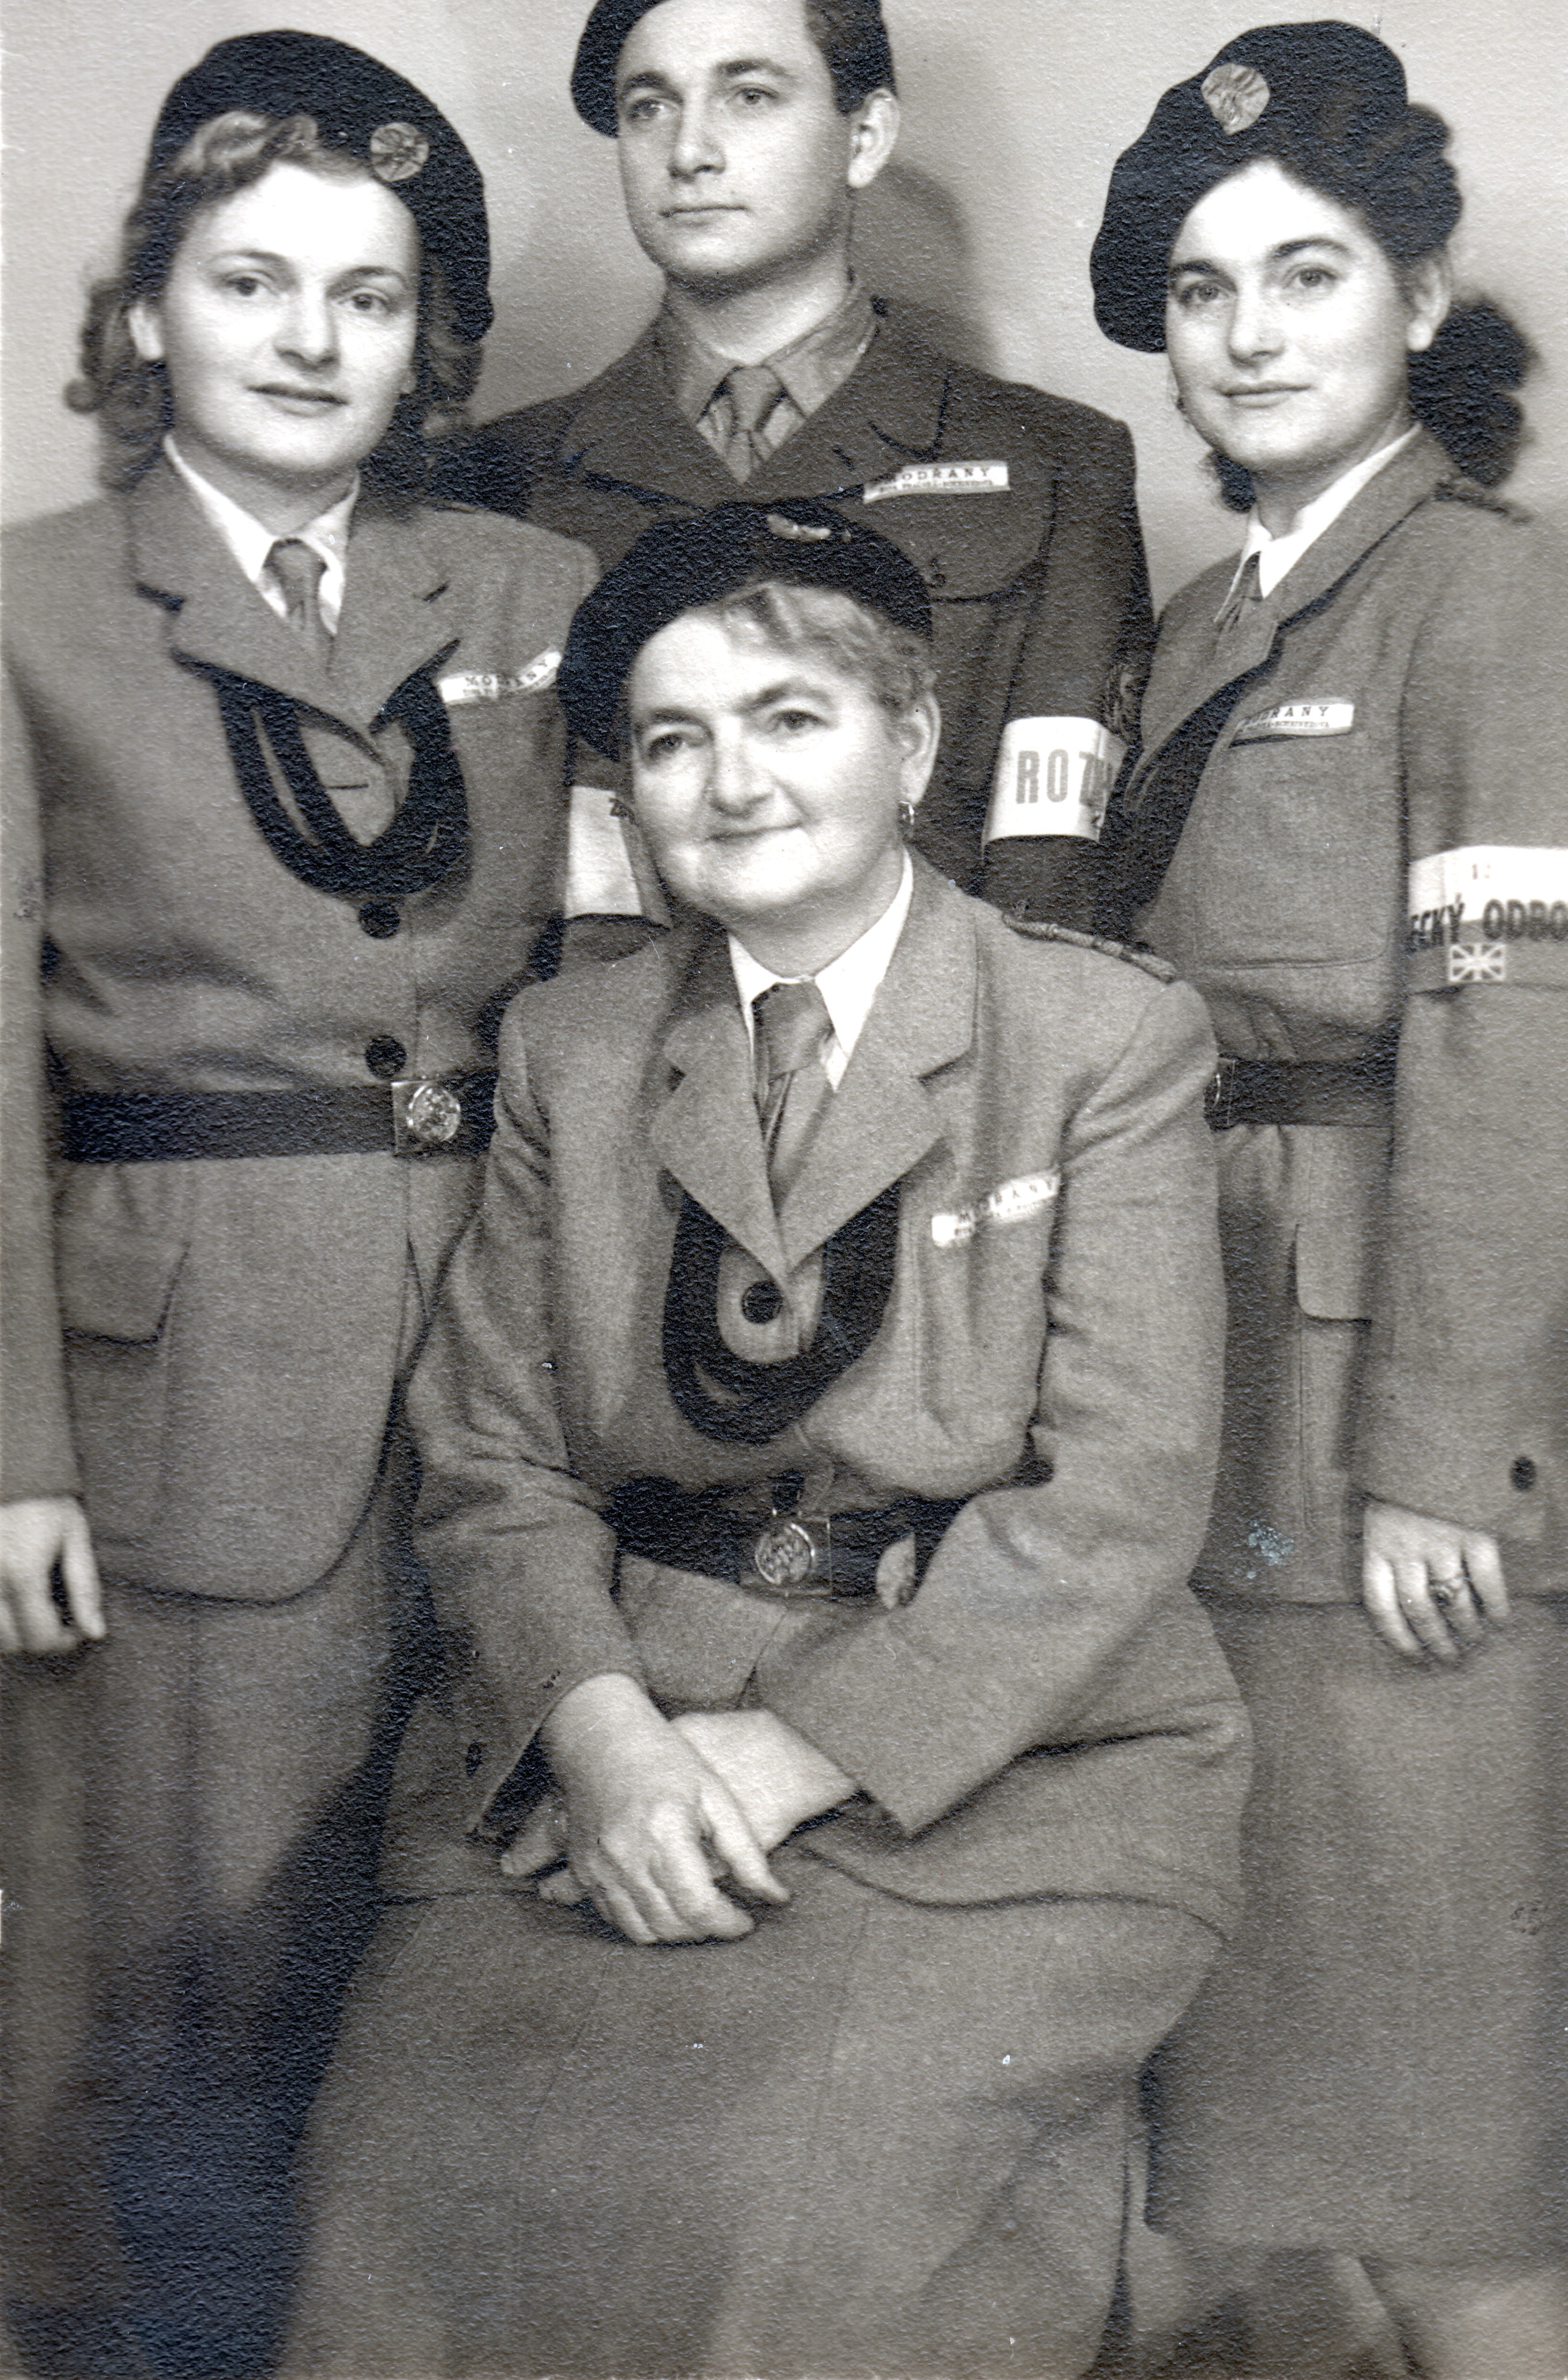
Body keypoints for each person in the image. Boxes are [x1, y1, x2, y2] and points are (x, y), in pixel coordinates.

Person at [283, 500, 1249, 2380]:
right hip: (612, 1741)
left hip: (991, 1765)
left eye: (789, 718)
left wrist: (799, 1753)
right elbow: (492, 1461)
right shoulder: (570, 1046)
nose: (731, 782)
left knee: (772, 2240)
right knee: (383, 2229)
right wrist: (608, 1746)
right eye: (673, 738)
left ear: (913, 740)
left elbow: (1119, 1493)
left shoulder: (1096, 1036)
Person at [0, 30, 595, 2379]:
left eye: (366, 294)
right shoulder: (34, 609)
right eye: (250, 280)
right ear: (147, 308)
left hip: (505, 1352)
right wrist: (15, 1446)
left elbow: (614, 987)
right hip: (183, 1384)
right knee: (182, 1969)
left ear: (425, 340)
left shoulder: (535, 589)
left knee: (475, 1948)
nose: (307, 335)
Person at [1089, 23, 1568, 2380]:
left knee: (1433, 2145)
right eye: (1203, 288)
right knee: (1271, 2122)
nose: (1252, 330)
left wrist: (1439, 1451)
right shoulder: (1217, 616)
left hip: (1385, 1443)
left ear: (1422, 294)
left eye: (1308, 271)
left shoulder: (1485, 596)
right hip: (1221, 1399)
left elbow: (1520, 1038)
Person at [433, 0, 1154, 933]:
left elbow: (1055, 873)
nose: (689, 150)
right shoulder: (495, 477)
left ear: (864, 136)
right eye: (649, 106)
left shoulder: (1056, 464)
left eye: (749, 96)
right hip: (591, 1030)